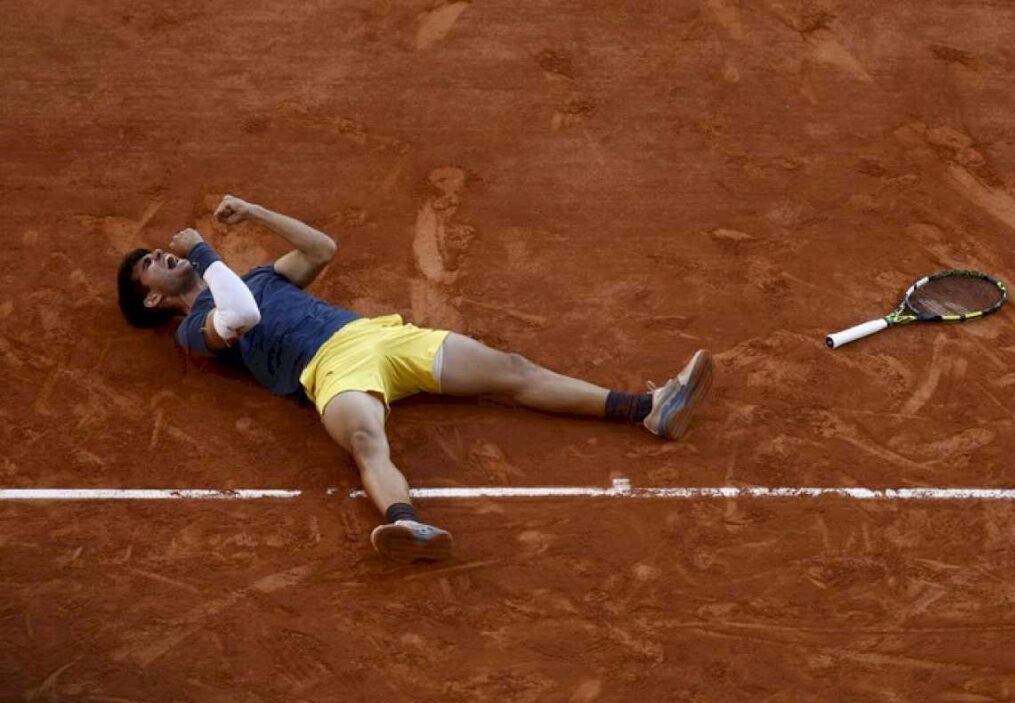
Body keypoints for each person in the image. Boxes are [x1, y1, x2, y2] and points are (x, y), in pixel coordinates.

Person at [116, 195, 714, 563]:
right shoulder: (195, 328)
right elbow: (238, 315)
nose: (158, 257)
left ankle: (649, 408)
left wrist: (254, 212)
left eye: (157, 253)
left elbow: (322, 247)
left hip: (381, 338)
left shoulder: (262, 278)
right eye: (148, 264)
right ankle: (407, 525)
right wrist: (202, 255)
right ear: (149, 302)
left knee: (510, 371)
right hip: (328, 370)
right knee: (367, 442)